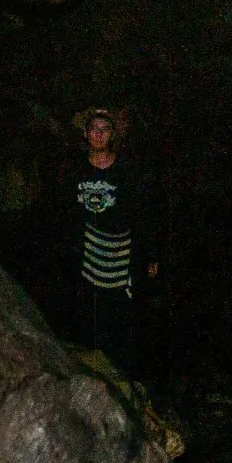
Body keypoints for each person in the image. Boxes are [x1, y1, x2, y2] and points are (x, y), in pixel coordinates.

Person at [68, 107, 157, 378]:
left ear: (112, 134)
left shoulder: (127, 171)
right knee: (89, 318)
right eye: (94, 129)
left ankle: (123, 378)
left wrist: (150, 255)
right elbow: (67, 214)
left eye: (104, 129)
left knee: (121, 319)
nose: (99, 134)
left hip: (120, 256)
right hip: (87, 256)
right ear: (86, 134)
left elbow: (143, 214)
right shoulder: (76, 170)